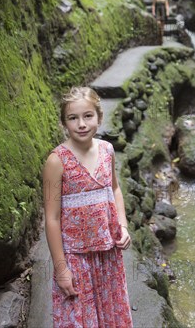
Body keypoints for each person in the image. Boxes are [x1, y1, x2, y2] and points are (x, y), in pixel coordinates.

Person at [43, 87, 133, 328]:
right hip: (76, 259)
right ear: (64, 122)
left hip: (108, 255)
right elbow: (51, 219)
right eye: (73, 118)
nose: (81, 124)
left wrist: (122, 226)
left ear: (99, 118)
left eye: (88, 116)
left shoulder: (107, 150)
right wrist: (61, 269)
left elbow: (114, 189)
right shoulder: (56, 161)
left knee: (111, 317)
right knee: (80, 319)